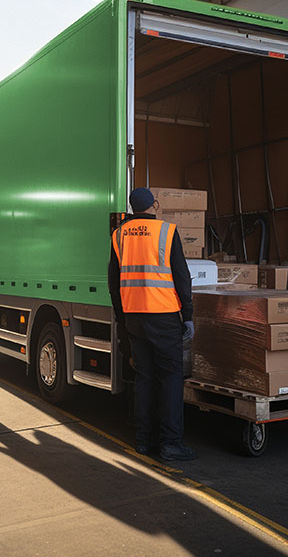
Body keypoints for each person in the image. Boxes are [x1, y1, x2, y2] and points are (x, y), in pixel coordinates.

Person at [108, 187, 197, 461]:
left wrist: (122, 318)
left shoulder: (119, 235)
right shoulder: (167, 232)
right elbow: (182, 277)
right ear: (154, 205)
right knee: (170, 378)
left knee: (144, 378)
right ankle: (171, 443)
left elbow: (113, 283)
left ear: (133, 208)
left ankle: (144, 441)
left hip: (134, 317)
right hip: (164, 315)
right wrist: (189, 314)